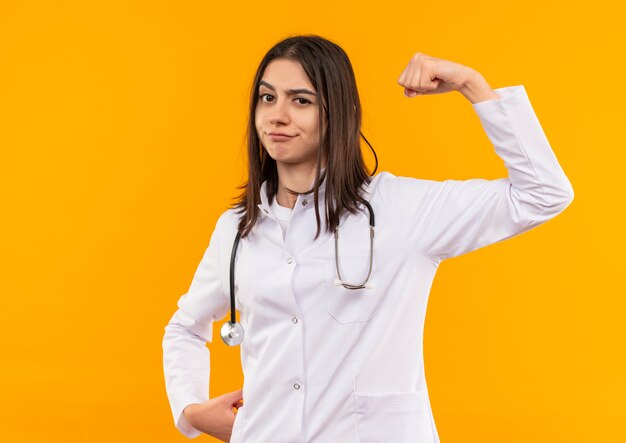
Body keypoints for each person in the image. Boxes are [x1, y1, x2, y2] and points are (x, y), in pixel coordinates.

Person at [162, 34, 574, 443]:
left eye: (300, 100)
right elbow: (185, 327)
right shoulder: (237, 228)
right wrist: (190, 409)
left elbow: (542, 194)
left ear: (341, 113)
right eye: (267, 98)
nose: (277, 116)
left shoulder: (402, 210)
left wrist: (471, 84)